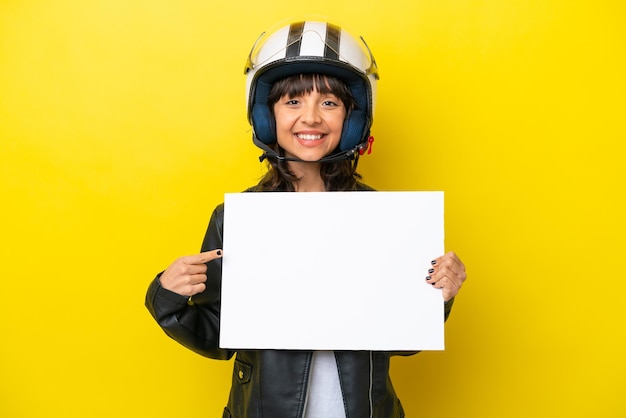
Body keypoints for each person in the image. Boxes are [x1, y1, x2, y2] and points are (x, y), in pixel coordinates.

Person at [145, 20, 467, 418]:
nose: (311, 117)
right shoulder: (236, 219)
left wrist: (439, 296)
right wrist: (169, 296)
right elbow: (219, 338)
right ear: (267, 115)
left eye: (329, 103)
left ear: (353, 118)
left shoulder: (385, 219)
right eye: (293, 102)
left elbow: (402, 339)